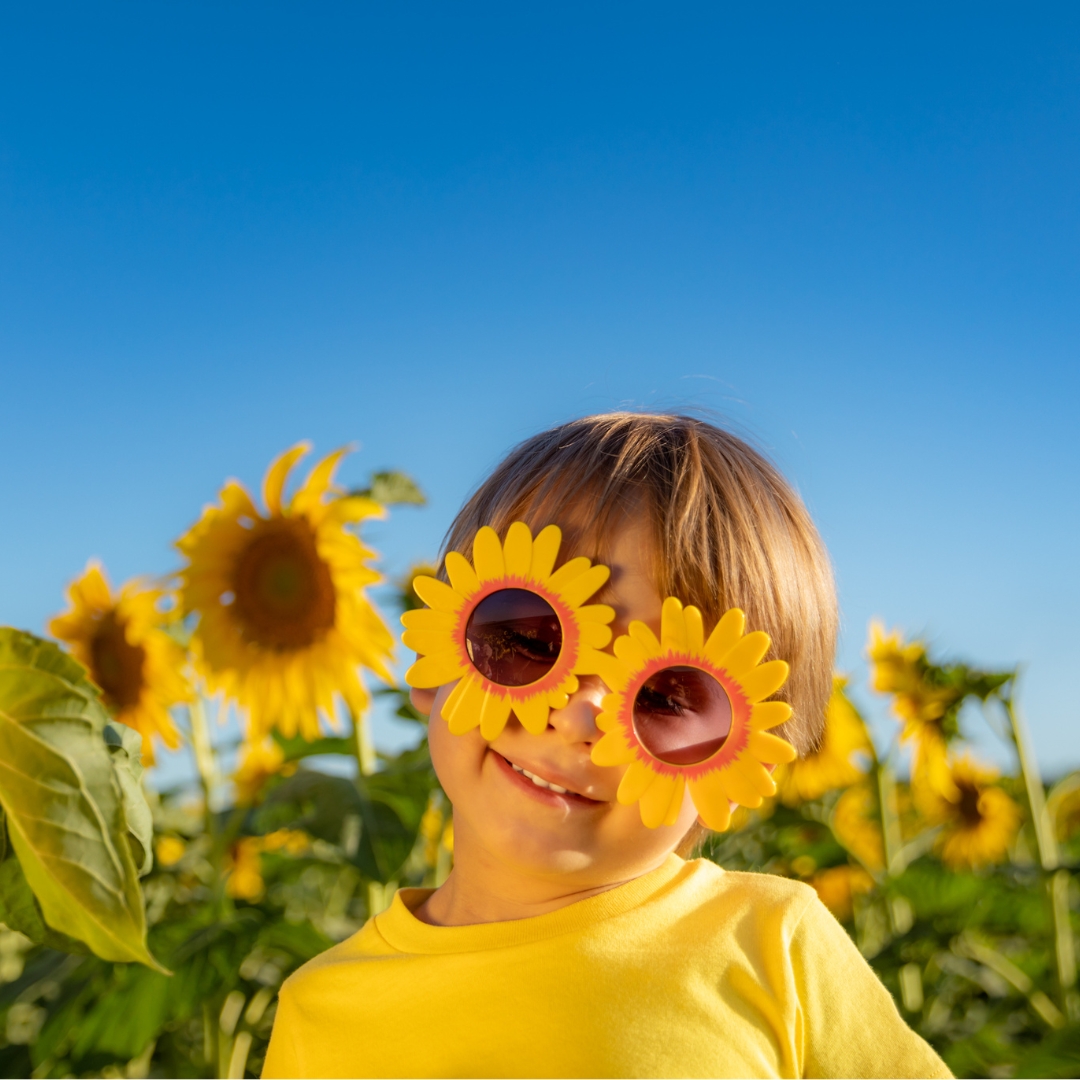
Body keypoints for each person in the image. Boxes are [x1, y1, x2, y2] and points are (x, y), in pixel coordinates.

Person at [262, 412, 950, 1079]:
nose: (581, 717)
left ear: (741, 768)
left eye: (668, 698)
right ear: (431, 660)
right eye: (528, 638)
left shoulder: (772, 945)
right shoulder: (321, 1009)